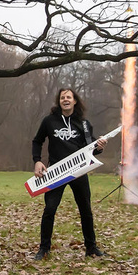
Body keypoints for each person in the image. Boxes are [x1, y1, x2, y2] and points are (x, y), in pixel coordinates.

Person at [31, 88, 109, 260]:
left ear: (75, 101)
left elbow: (91, 150)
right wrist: (37, 160)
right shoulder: (49, 121)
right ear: (59, 101)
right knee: (49, 210)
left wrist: (99, 147)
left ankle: (91, 247)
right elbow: (37, 141)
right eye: (62, 97)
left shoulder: (84, 124)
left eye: (69, 97)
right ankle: (44, 249)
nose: (65, 100)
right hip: (56, 173)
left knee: (86, 210)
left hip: (79, 172)